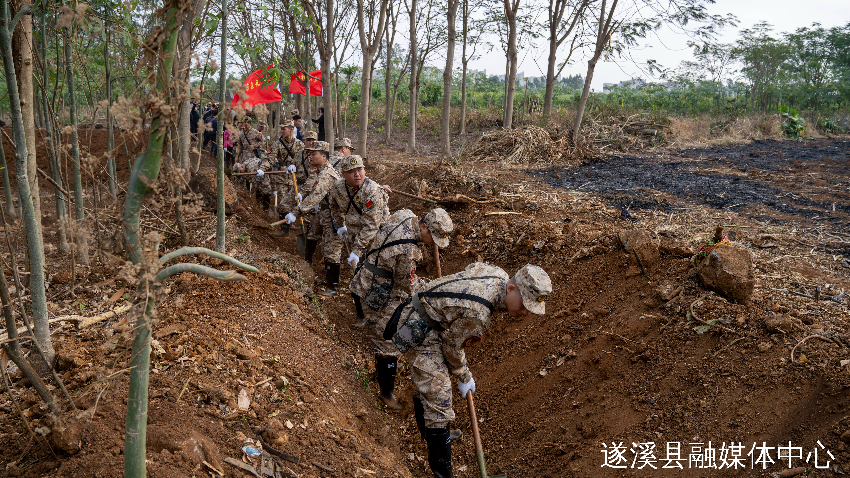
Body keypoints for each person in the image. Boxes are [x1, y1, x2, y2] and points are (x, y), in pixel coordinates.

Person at [384, 263, 552, 478]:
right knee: (440, 397)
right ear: (511, 288)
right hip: (420, 326)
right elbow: (452, 347)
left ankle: (433, 435)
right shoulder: (478, 313)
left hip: (432, 317)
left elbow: (471, 268)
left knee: (433, 385)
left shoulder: (498, 274)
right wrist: (464, 375)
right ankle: (442, 472)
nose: (525, 312)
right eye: (524, 304)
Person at [349, 208, 454, 412]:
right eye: (432, 237)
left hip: (367, 274)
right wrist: (428, 288)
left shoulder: (405, 214)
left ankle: (378, 352)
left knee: (384, 330)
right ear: (423, 226)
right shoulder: (408, 251)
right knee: (387, 342)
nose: (433, 243)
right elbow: (406, 287)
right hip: (376, 289)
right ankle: (386, 394)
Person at [282, 141, 341, 296]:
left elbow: (316, 196)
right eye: (309, 153)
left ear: (324, 155)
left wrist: (296, 212)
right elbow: (310, 189)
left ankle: (333, 287)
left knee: (331, 250)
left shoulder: (327, 174)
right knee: (320, 242)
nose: (310, 156)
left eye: (313, 154)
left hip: (334, 217)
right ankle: (325, 278)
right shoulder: (318, 171)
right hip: (323, 213)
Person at [328, 155, 390, 275]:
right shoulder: (338, 187)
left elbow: (371, 226)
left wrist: (356, 251)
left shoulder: (372, 191)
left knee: (374, 273)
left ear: (364, 170)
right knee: (358, 273)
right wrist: (340, 224)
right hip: (355, 234)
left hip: (377, 238)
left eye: (359, 170)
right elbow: (333, 205)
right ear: (343, 174)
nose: (357, 174)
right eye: (351, 171)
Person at [261, 120, 304, 236]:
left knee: (296, 203)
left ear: (291, 129)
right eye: (281, 129)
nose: (281, 131)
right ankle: (284, 230)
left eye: (283, 129)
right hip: (282, 178)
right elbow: (269, 158)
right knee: (283, 203)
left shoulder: (300, 144)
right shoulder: (277, 144)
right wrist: (262, 168)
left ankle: (294, 224)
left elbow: (305, 160)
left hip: (296, 179)